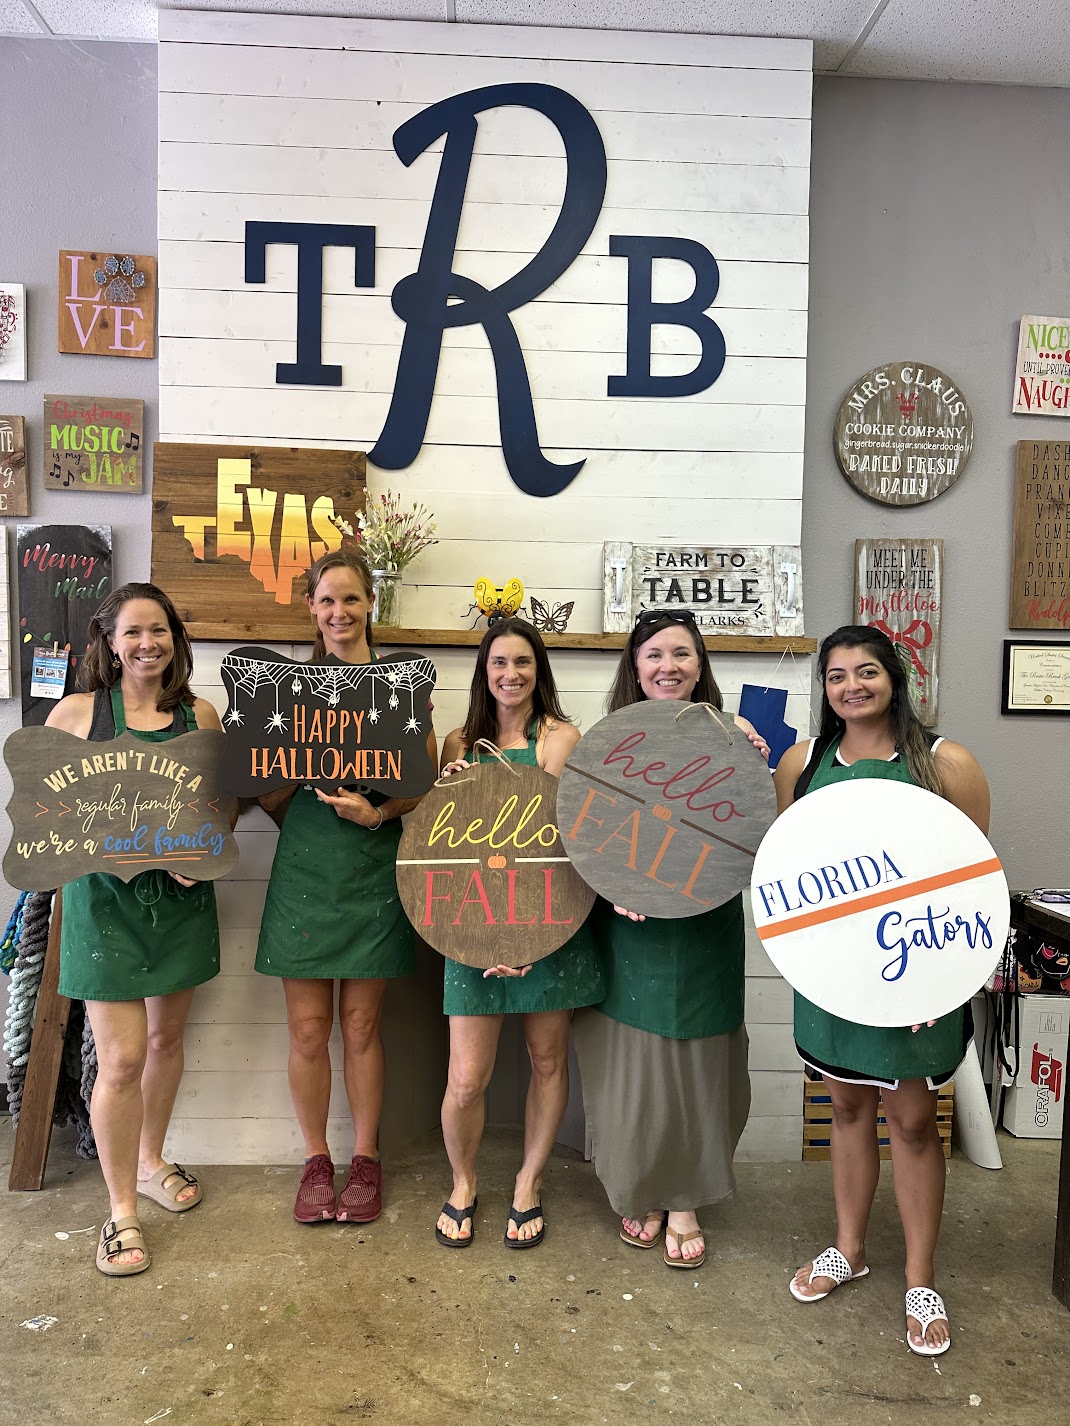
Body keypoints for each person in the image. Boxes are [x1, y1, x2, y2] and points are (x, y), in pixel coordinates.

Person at [773, 624, 990, 1357]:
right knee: (844, 1105)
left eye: (866, 671)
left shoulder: (943, 762)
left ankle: (921, 1278)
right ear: (825, 689)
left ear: (895, 677)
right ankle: (849, 1249)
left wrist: (949, 974)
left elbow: (974, 885)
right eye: (836, 676)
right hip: (835, 976)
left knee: (913, 1121)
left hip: (916, 975)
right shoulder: (802, 763)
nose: (851, 686)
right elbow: (791, 879)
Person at [572, 609, 769, 1269]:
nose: (668, 666)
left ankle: (684, 1197)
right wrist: (607, 885)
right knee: (634, 1063)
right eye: (654, 654)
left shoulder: (735, 736)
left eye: (681, 654)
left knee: (698, 1063)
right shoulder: (604, 741)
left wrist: (752, 756)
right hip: (628, 926)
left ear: (700, 665)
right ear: (634, 666)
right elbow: (581, 831)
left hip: (706, 924)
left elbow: (751, 830)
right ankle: (639, 1187)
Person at [47, 583, 225, 1277]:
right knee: (120, 1060)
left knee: (165, 1040)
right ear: (109, 643)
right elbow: (42, 815)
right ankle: (121, 1211)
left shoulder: (199, 716)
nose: (147, 643)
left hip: (178, 907)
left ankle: (150, 1161)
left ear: (175, 639)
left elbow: (217, 813)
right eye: (133, 633)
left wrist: (198, 857)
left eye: (159, 631)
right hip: (103, 905)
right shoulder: (76, 714)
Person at [255, 547, 435, 1225]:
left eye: (351, 599)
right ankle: (314, 1161)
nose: (339, 612)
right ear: (311, 608)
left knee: (361, 1026)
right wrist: (289, 791)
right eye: (326, 600)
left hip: (374, 867)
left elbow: (420, 782)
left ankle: (365, 1160)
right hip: (304, 868)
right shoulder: (282, 690)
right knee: (307, 1031)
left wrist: (378, 810)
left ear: (370, 606)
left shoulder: (400, 684)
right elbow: (259, 788)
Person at [434, 617, 605, 1250]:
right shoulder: (457, 742)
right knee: (466, 1079)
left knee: (547, 1059)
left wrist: (526, 938)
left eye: (524, 663)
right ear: (484, 672)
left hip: (548, 921)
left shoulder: (562, 739)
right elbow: (441, 848)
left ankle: (528, 1183)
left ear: (541, 671)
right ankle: (463, 1181)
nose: (512, 674)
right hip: (470, 924)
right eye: (500, 663)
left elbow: (564, 843)